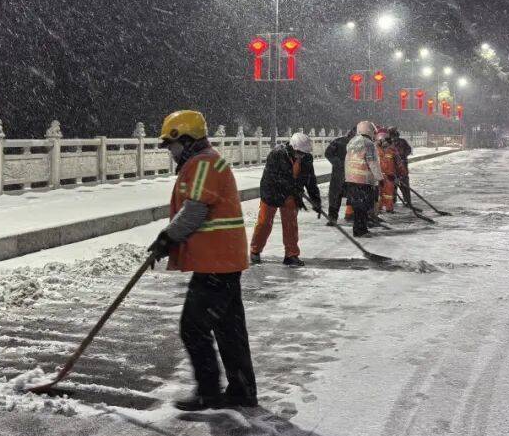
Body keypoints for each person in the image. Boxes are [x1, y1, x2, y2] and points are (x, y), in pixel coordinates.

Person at [148, 110, 256, 412]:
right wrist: (169, 239)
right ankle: (242, 391)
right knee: (229, 329)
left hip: (216, 263)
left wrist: (167, 238)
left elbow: (195, 211)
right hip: (224, 260)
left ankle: (209, 392)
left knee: (192, 327)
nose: (171, 152)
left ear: (186, 139)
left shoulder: (203, 164)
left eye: (172, 145)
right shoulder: (208, 161)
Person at [249, 132, 322, 266]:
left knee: (290, 224)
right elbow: (272, 177)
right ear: (292, 147)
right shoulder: (277, 154)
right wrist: (291, 185)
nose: (301, 156)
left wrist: (316, 200)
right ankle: (255, 250)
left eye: (303, 153)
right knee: (264, 223)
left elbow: (310, 180)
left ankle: (291, 255)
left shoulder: (306, 158)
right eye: (299, 153)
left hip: (291, 194)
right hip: (272, 192)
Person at [344, 121, 383, 237]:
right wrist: (380, 178)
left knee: (357, 207)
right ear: (369, 130)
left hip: (351, 180)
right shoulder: (368, 143)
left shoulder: (352, 142)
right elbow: (372, 162)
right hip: (364, 181)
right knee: (364, 207)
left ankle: (358, 229)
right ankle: (361, 230)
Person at [324, 127, 355, 226]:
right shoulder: (339, 142)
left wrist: (338, 163)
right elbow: (328, 153)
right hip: (342, 174)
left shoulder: (340, 142)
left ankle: (336, 217)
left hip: (346, 174)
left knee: (337, 196)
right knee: (337, 196)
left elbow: (328, 153)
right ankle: (334, 218)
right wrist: (339, 163)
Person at [387, 127, 413, 208]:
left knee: (404, 185)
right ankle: (393, 201)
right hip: (392, 168)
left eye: (394, 135)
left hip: (402, 167)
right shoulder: (388, 143)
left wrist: (402, 156)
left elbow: (409, 150)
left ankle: (407, 201)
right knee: (392, 186)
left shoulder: (402, 142)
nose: (393, 137)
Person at [375, 127, 397, 214]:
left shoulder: (392, 150)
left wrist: (401, 174)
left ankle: (389, 208)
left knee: (389, 194)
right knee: (378, 193)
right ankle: (378, 208)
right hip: (378, 175)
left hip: (389, 175)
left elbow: (398, 163)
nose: (382, 140)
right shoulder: (375, 149)